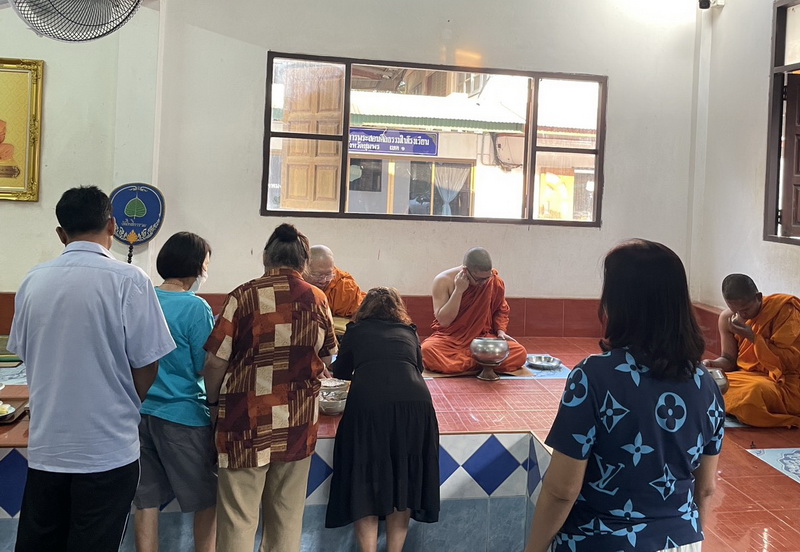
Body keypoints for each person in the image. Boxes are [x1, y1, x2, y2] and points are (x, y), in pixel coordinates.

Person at [525, 239, 724, 552]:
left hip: (601, 541)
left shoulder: (593, 376)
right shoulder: (706, 383)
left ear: (619, 303)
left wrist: (533, 549)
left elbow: (562, 490)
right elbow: (706, 489)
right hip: (682, 541)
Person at [8, 186, 176, 552]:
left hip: (49, 447)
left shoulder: (33, 281)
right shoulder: (130, 280)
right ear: (112, 226)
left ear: (61, 233)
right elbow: (148, 363)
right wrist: (123, 402)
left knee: (40, 543)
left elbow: (25, 354)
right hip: (108, 449)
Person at [202, 223, 337, 552]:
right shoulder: (317, 299)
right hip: (297, 423)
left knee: (238, 518)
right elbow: (328, 355)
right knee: (287, 518)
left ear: (265, 256)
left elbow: (215, 362)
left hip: (245, 421)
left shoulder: (242, 296)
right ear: (304, 262)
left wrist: (213, 402)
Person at [325, 287, 440, 552]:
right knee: (404, 480)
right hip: (416, 406)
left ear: (365, 308)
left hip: (370, 406)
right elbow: (418, 367)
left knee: (363, 480)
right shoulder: (409, 331)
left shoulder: (356, 330)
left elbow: (341, 371)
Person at [133, 232, 217, 552]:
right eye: (206, 264)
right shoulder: (195, 308)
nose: (206, 272)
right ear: (195, 266)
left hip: (140, 413)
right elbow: (204, 365)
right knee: (207, 499)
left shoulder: (142, 299)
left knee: (146, 500)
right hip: (183, 415)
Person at [703, 274, 800, 428]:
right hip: (747, 377)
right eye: (735, 310)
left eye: (746, 309)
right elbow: (729, 360)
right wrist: (712, 364)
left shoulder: (785, 310)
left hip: (783, 381)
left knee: (753, 393)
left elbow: (790, 363)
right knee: (707, 383)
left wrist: (753, 337)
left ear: (758, 297)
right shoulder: (728, 318)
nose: (742, 315)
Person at [421, 247, 526, 374]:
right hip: (451, 339)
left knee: (520, 352)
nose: (484, 283)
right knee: (427, 351)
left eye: (487, 278)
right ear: (465, 271)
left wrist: (501, 332)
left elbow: (501, 309)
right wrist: (458, 291)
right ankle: (485, 362)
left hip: (483, 339)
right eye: (479, 279)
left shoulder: (494, 281)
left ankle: (464, 364)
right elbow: (444, 321)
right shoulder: (443, 280)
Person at [304, 244, 366, 335]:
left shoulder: (344, 287)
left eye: (329, 274)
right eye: (318, 275)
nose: (324, 281)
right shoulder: (295, 284)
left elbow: (362, 313)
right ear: (304, 270)